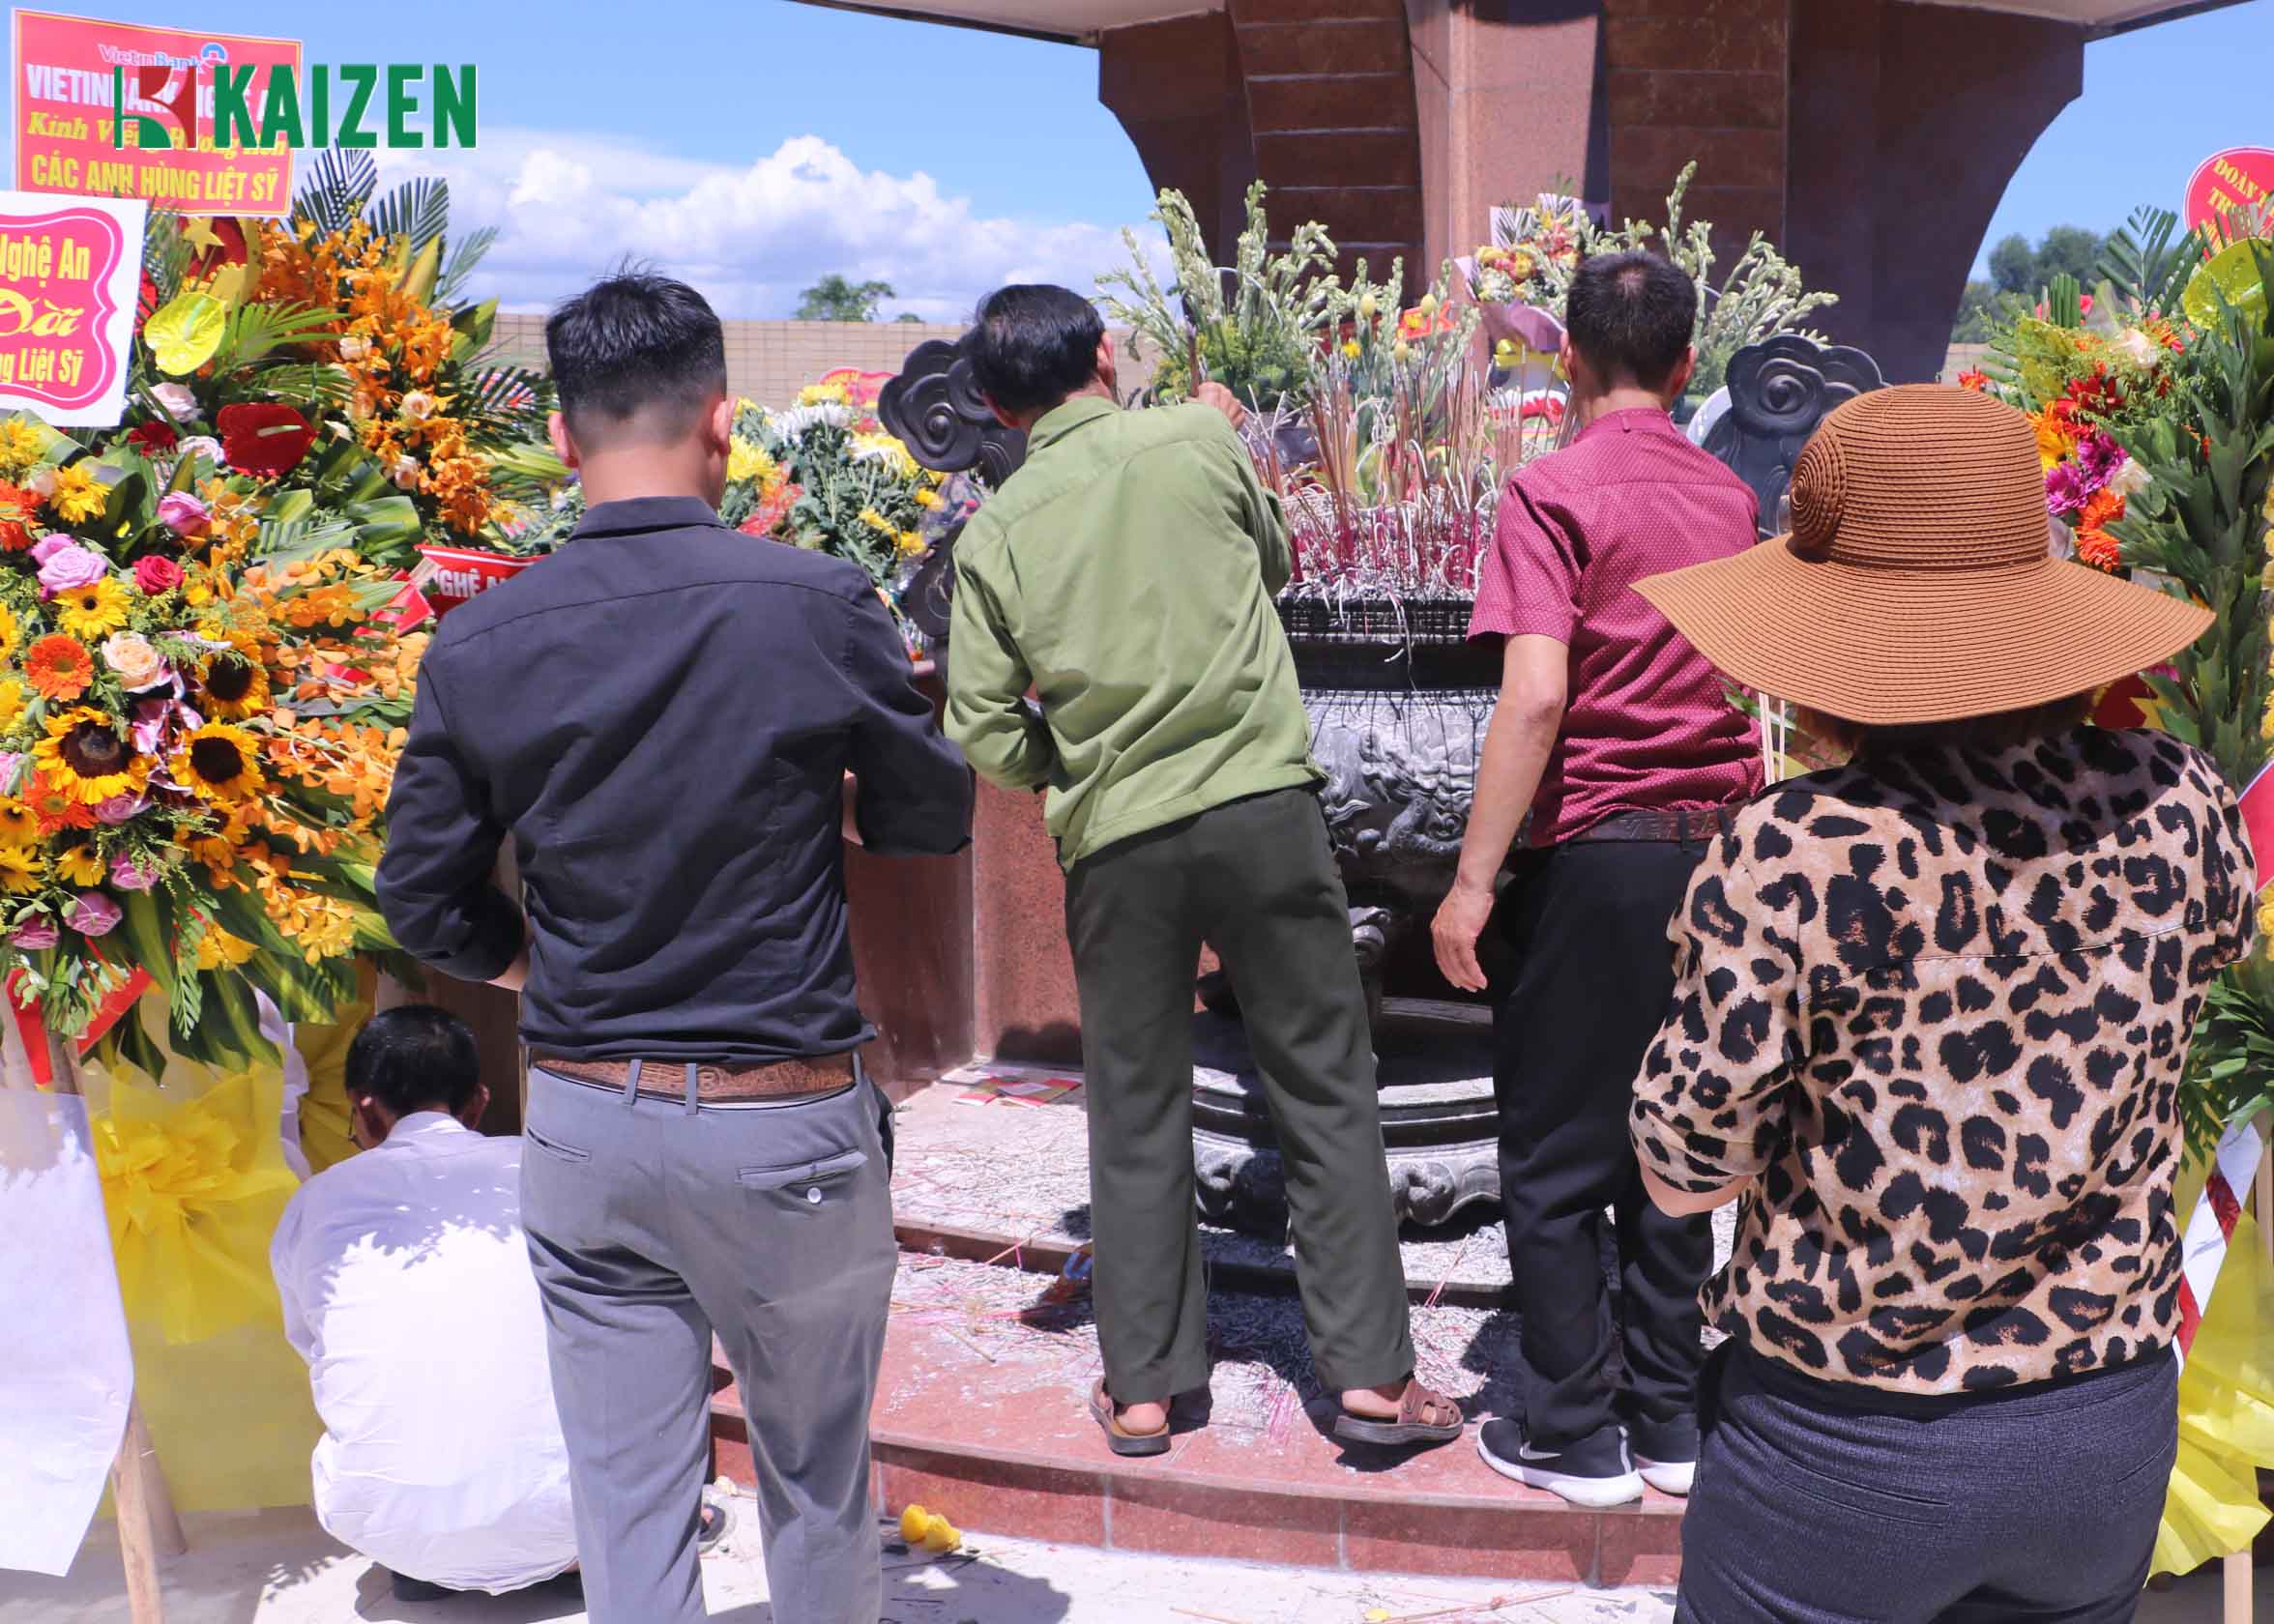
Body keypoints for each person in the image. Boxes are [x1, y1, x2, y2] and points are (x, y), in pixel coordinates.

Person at [378, 271, 977, 1624]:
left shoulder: (481, 641)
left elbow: (422, 895)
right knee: (817, 1481)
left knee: (627, 1497)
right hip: (783, 1124)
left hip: (587, 1119)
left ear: (561, 437)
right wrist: (831, 796)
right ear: (719, 423)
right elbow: (932, 817)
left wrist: (533, 971)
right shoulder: (814, 602)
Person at [1627, 385, 2259, 1622]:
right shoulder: (2180, 801)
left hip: (1844, 1447)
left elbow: (1683, 1168)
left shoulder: (1799, 847)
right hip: (2101, 1427)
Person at [941, 282, 1462, 1459]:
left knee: (1135, 1108)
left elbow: (980, 726)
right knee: (1325, 1084)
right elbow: (1272, 562)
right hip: (1261, 806)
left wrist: (1071, 767)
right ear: (1104, 356)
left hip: (1117, 836)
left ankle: (1145, 1390)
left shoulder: (995, 532)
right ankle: (1372, 1381)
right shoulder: (1195, 437)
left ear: (996, 407)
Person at [1429, 250, 1759, 1506]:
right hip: (1720, 859)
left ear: (1564, 357)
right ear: (1687, 365)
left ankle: (1575, 1432)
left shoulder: (1550, 490)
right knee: (1678, 1140)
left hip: (1600, 852)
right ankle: (1670, 1420)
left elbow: (1536, 695)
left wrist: (1471, 883)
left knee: (1558, 1160)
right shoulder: (1729, 497)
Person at [270, 1005, 575, 1600]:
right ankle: (565, 1557)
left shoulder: (316, 1203)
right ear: (478, 1103)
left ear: (363, 1109)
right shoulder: (545, 1170)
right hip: (568, 1517)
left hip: (387, 1529)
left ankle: (438, 1556)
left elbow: (315, 1346)